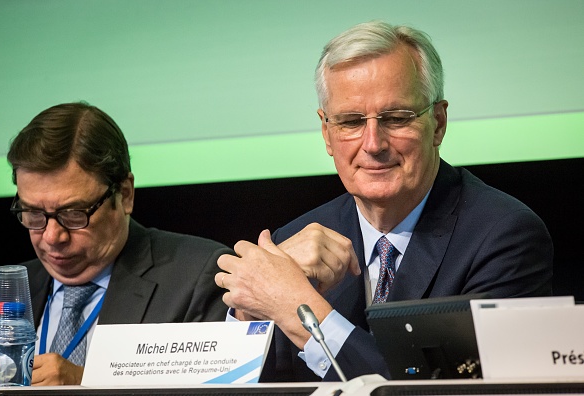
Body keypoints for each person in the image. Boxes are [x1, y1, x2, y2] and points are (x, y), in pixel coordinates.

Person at [216, 20, 554, 382]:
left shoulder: (505, 237)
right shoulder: (294, 239)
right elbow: (244, 386)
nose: (373, 144)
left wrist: (299, 310)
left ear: (438, 123)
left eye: (396, 118)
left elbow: (450, 390)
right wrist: (252, 313)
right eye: (350, 122)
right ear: (327, 134)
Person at [6, 102, 232, 386]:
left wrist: (85, 384)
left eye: (74, 213)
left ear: (124, 195)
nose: (52, 237)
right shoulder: (4, 290)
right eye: (34, 214)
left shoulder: (198, 278)